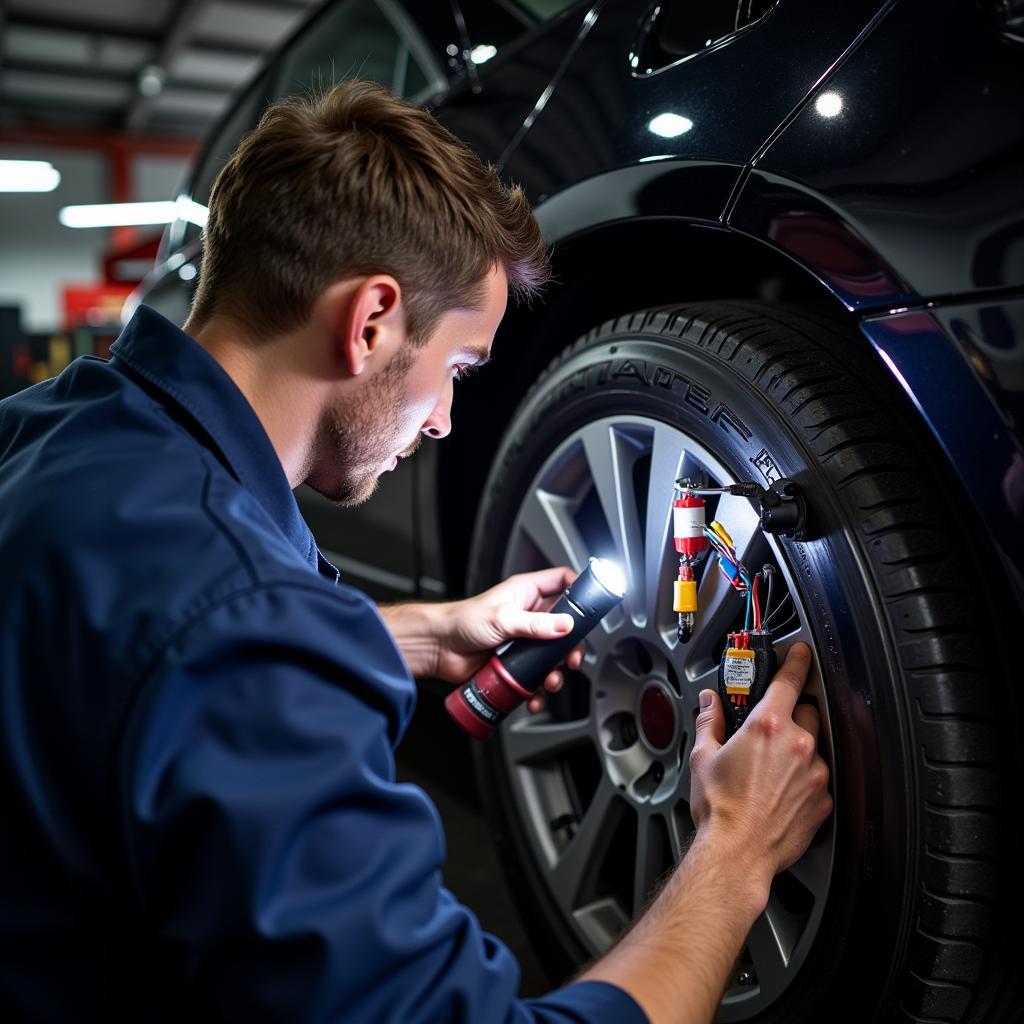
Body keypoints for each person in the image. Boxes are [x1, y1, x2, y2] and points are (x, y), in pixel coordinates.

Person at [0, 81, 831, 1023]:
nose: (443, 421)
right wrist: (733, 853)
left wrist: (420, 635)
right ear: (370, 322)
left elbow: (134, 649)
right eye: (459, 371)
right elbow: (225, 640)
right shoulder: (240, 624)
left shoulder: (43, 433)